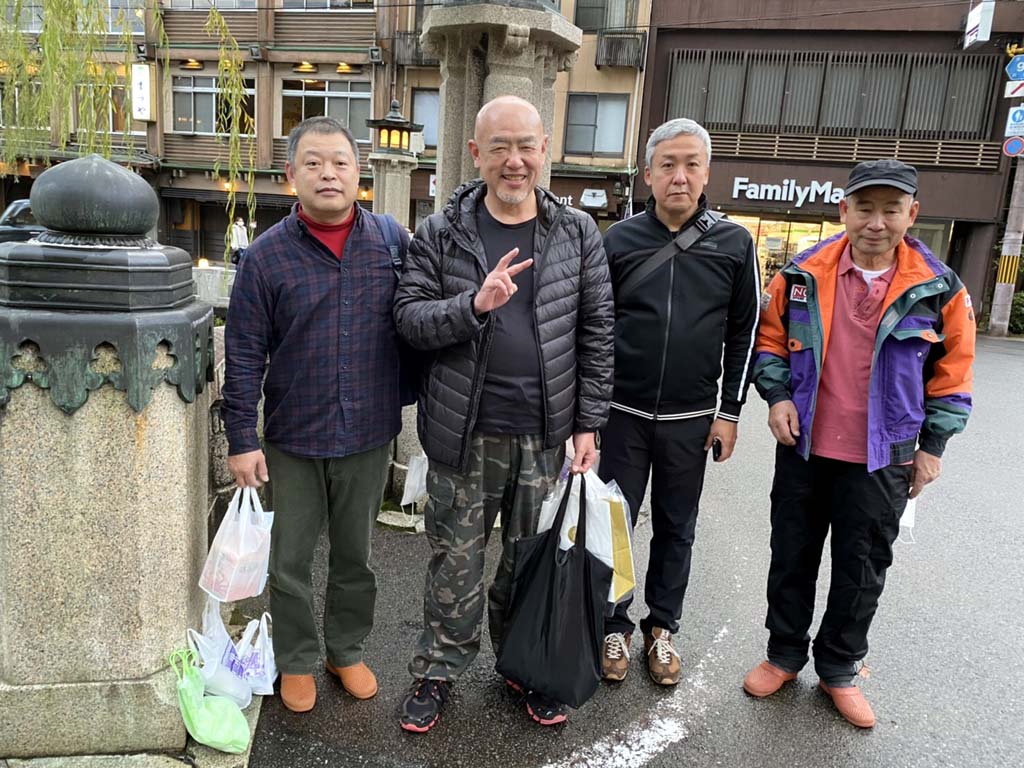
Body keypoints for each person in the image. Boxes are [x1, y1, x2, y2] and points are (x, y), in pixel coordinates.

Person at [393, 95, 614, 732]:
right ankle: (438, 669)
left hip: (545, 437)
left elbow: (598, 331)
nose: (514, 161)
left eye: (525, 146)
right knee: (455, 562)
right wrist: (473, 305)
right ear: (476, 154)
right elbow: (409, 318)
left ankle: (525, 667)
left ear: (544, 150)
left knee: (531, 561)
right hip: (463, 433)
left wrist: (588, 422)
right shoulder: (441, 232)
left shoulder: (577, 233)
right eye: (499, 148)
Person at [743, 159, 975, 728]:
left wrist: (932, 447)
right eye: (864, 208)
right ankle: (783, 655)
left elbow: (954, 375)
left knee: (863, 567)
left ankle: (839, 668)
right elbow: (768, 341)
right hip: (804, 447)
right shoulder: (800, 274)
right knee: (791, 556)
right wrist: (777, 397)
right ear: (843, 210)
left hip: (884, 457)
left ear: (911, 214)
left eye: (890, 210)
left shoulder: (939, 288)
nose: (876, 222)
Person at [221, 116, 408, 713]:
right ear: (290, 175)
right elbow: (243, 352)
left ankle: (345, 650)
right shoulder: (265, 258)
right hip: (294, 436)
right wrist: (241, 438)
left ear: (359, 173)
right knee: (290, 560)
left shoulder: (391, 244)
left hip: (368, 432)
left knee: (357, 556)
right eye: (313, 163)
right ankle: (297, 658)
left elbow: (420, 320)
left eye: (340, 163)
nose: (328, 173)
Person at [597, 118, 761, 686]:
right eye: (667, 164)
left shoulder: (735, 243)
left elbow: (745, 332)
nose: (680, 176)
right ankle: (612, 623)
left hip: (691, 419)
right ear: (648, 174)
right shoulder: (618, 241)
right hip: (621, 413)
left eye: (691, 164)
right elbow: (594, 329)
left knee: (677, 526)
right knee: (614, 522)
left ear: (707, 173)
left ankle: (662, 628)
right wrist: (588, 411)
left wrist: (730, 411)